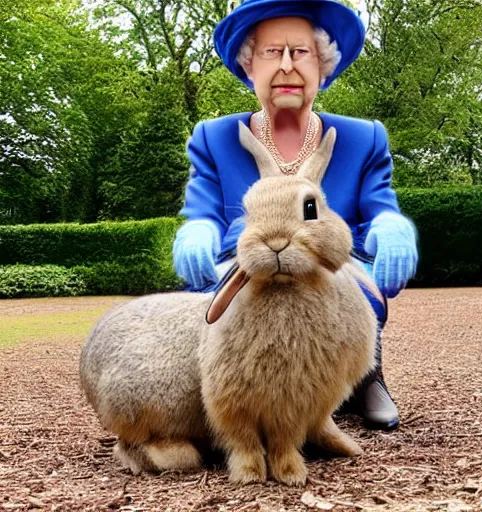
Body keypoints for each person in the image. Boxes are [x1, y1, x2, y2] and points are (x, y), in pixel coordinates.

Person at [172, 0, 418, 431]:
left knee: (351, 285)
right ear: (250, 66)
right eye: (272, 52)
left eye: (300, 52)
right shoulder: (213, 137)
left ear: (323, 66)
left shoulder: (364, 137)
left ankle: (365, 376)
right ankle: (231, 388)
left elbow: (379, 203)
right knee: (224, 298)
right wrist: (196, 230)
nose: (287, 65)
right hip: (244, 261)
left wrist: (390, 226)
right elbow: (203, 208)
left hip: (333, 264)